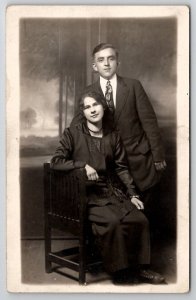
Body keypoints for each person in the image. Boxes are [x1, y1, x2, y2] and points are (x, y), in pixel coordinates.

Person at [51, 91, 165, 284]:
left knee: (140, 219)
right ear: (83, 112)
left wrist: (133, 194)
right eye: (87, 107)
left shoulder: (114, 136)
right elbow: (56, 161)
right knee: (112, 222)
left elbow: (121, 169)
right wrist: (82, 166)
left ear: (103, 106)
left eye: (95, 105)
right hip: (86, 195)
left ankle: (142, 268)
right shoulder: (73, 134)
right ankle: (121, 272)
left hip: (111, 191)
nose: (92, 110)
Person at [71, 43, 167, 217]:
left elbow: (150, 122)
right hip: (110, 162)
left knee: (146, 209)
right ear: (94, 66)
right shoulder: (88, 92)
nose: (106, 63)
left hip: (139, 158)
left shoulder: (133, 86)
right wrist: (79, 161)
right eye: (101, 60)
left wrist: (158, 156)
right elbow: (75, 128)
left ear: (117, 63)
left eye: (111, 59)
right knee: (121, 210)